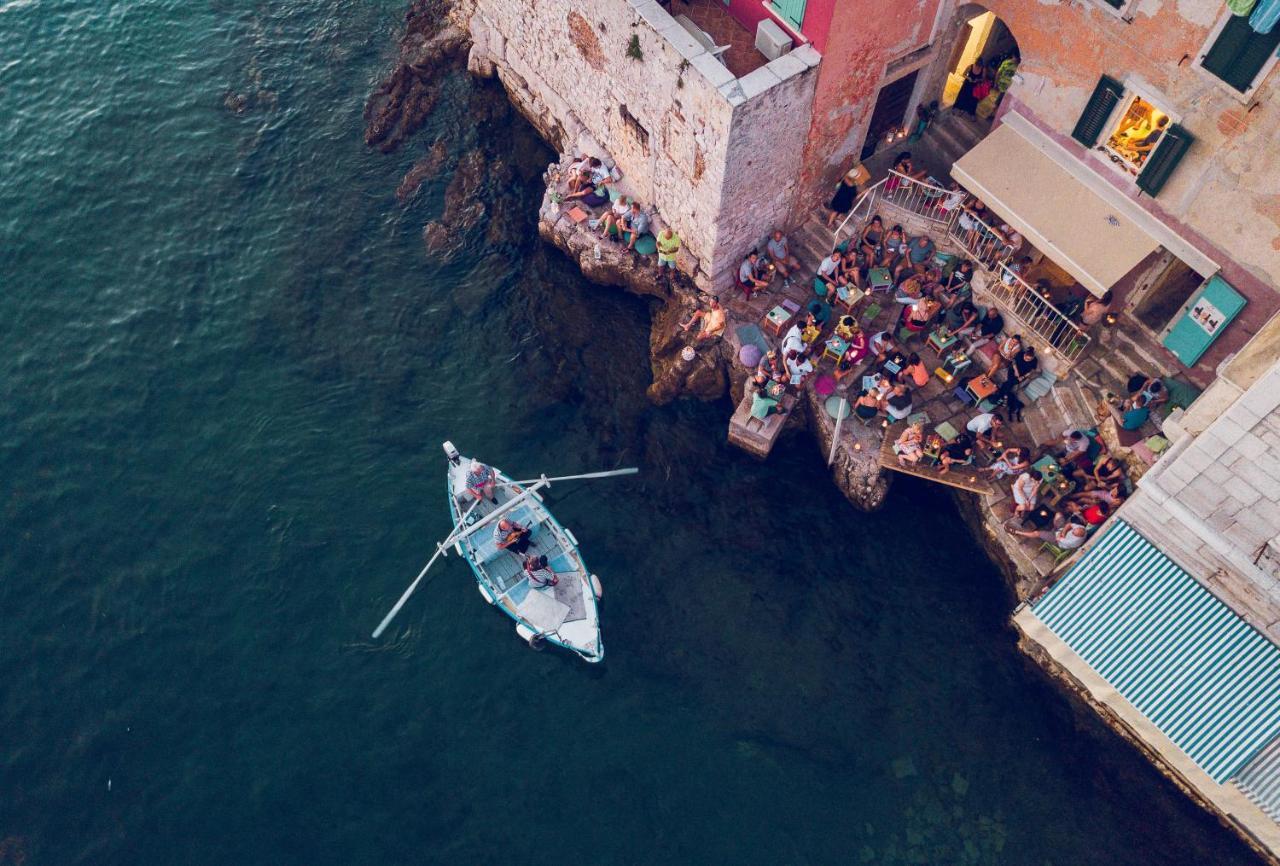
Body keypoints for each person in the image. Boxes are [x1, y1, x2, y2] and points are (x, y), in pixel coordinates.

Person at [1015, 516, 1088, 550]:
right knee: (1058, 515)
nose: (1073, 531)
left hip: (1059, 542)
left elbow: (1058, 538)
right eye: (1074, 530)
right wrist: (1063, 532)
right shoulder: (1082, 528)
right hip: (1062, 532)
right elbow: (1069, 525)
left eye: (1073, 533)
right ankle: (1053, 528)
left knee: (1037, 533)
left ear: (1077, 536)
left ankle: (1018, 532)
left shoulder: (1072, 542)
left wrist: (1061, 534)